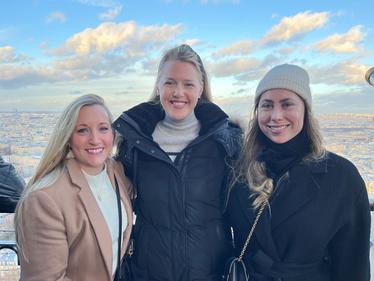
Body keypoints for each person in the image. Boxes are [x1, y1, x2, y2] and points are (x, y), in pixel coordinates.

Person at [227, 64, 371, 281]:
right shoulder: (239, 170)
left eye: (287, 104)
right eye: (267, 105)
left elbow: (353, 266)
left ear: (305, 110)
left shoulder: (340, 177)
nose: (276, 115)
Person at [113, 44, 242, 281]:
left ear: (201, 88)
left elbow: (244, 208)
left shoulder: (225, 141)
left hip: (210, 272)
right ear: (159, 86)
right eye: (170, 82)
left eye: (188, 84)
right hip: (148, 271)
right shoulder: (135, 141)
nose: (178, 92)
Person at [14, 94, 133, 281]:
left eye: (103, 128)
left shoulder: (115, 172)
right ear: (68, 137)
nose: (95, 139)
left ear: (113, 133)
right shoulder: (44, 199)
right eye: (83, 130)